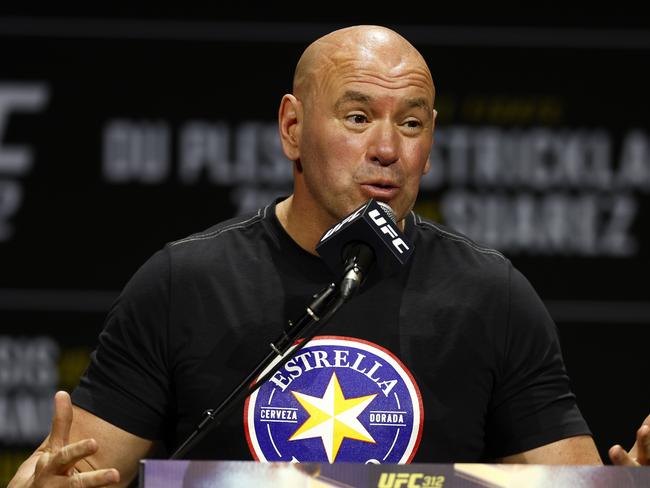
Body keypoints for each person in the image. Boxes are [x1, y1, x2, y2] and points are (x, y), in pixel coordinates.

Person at [9, 24, 650, 488]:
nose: (386, 149)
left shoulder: (492, 295)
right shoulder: (185, 283)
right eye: (356, 116)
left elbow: (571, 484)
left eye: (411, 123)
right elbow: (71, 474)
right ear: (292, 128)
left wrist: (623, 487)